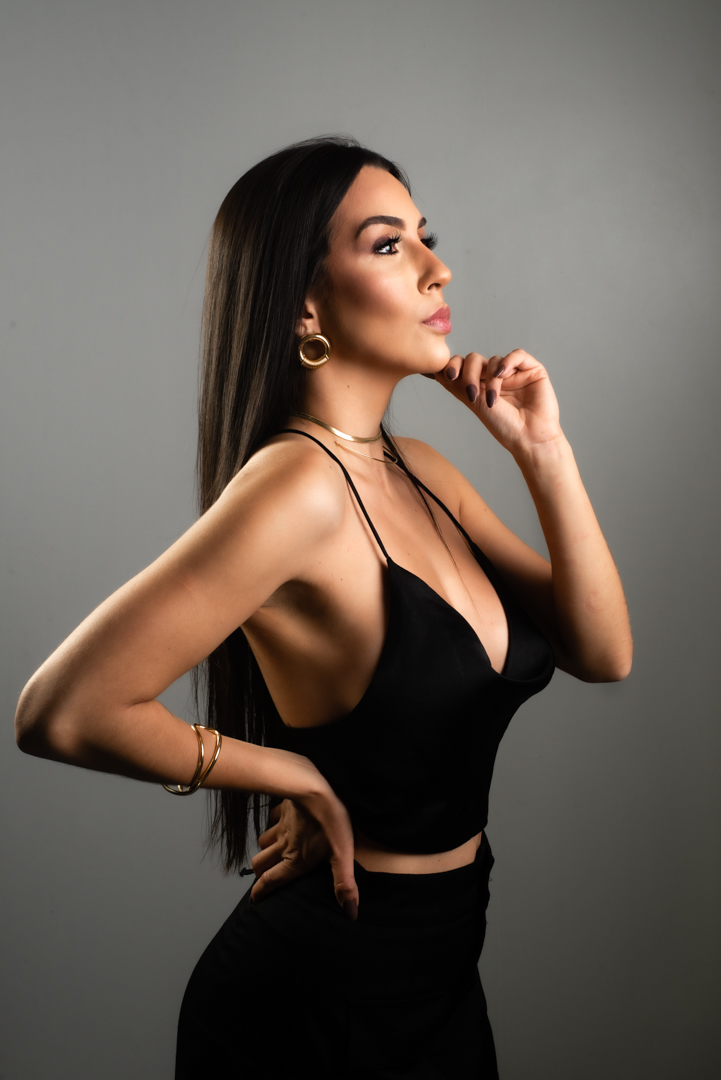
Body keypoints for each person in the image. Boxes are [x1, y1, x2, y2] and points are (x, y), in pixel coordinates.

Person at [14, 136, 632, 1078]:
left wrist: (543, 455)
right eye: (388, 244)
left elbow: (602, 652)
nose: (436, 268)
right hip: (314, 999)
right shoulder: (294, 490)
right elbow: (61, 710)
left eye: (425, 238)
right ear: (304, 301)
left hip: (440, 972)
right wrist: (291, 775)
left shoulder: (420, 470)